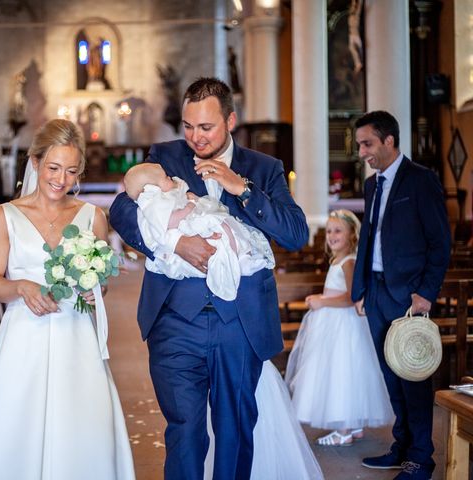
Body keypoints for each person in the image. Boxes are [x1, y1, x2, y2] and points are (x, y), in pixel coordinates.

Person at [110, 77, 309, 479]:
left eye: (205, 127)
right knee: (184, 429)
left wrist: (244, 190)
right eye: (187, 126)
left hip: (240, 320)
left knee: (235, 427)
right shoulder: (165, 156)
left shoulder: (264, 168)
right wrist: (174, 241)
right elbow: (120, 210)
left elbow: (295, 234)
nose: (194, 137)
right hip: (175, 319)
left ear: (230, 120)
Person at [0, 119, 135, 479]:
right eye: (53, 168)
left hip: (76, 337)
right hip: (24, 337)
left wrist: (94, 291)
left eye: (70, 170)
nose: (61, 179)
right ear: (35, 163)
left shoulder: (92, 216)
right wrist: (21, 287)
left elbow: (100, 283)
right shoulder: (6, 215)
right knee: (16, 426)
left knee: (82, 426)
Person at [351, 111, 450, 480]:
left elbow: (440, 243)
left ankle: (421, 459)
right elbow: (368, 240)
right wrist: (360, 289)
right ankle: (402, 445)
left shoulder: (421, 181)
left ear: (389, 141)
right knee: (391, 377)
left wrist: (426, 293)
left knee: (413, 377)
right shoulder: (371, 185)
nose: (362, 152)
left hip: (408, 296)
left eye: (368, 143)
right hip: (376, 293)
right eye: (360, 144)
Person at [285, 209, 393, 446]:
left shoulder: (349, 262)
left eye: (338, 231)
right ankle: (353, 426)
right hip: (334, 323)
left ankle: (344, 430)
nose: (332, 236)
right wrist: (321, 298)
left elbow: (352, 298)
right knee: (343, 373)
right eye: (330, 231)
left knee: (341, 373)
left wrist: (322, 301)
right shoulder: (339, 260)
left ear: (352, 235)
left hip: (343, 325)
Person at [123, 162, 275, 300]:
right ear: (151, 189)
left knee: (226, 228)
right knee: (217, 239)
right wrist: (188, 208)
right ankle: (232, 267)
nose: (169, 177)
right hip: (182, 294)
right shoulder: (153, 203)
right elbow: (166, 222)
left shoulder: (267, 166)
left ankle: (241, 259)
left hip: (247, 305)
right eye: (165, 178)